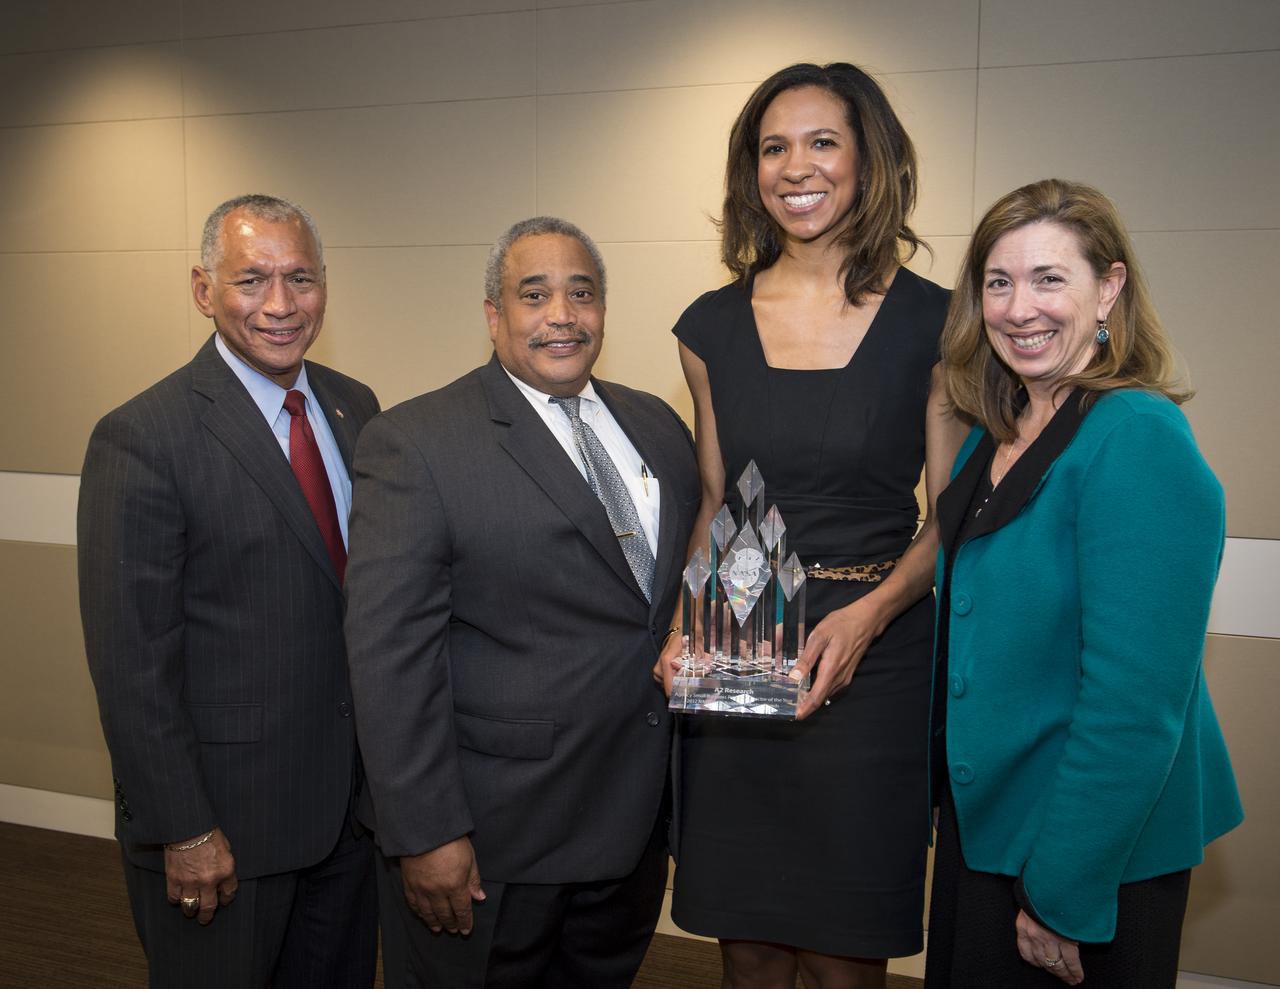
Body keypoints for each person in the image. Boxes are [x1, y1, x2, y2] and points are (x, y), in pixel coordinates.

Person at [658, 62, 968, 988]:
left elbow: (951, 514)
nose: (798, 166)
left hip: (874, 656)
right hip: (741, 636)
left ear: (869, 161)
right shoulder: (706, 327)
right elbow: (716, 500)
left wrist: (869, 616)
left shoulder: (939, 323)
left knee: (843, 946)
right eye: (773, 147)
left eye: (823, 141)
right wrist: (684, 622)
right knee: (746, 940)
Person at [343, 216, 700, 988]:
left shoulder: (660, 427)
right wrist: (426, 831)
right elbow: (387, 657)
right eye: (533, 294)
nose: (561, 314)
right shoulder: (417, 441)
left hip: (631, 827)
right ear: (493, 314)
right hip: (491, 842)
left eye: (582, 292)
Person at [925, 177, 1243, 988]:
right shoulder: (996, 434)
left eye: (1048, 279)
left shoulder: (1137, 438)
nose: (1018, 307)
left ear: (1109, 288)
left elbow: (1135, 706)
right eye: (998, 282)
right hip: (993, 828)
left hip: (1083, 850)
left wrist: (1063, 890)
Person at [78, 194, 380, 987]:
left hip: (350, 820)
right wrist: (184, 828)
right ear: (203, 289)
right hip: (225, 833)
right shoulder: (144, 436)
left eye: (300, 278)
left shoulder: (355, 409)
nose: (280, 305)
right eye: (252, 279)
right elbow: (131, 663)